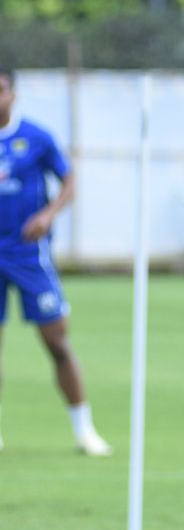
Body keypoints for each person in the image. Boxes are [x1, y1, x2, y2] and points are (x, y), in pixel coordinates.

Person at [0, 67, 112, 456]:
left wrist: (48, 214)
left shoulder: (36, 137)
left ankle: (84, 430)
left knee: (56, 341)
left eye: (0, 90)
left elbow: (69, 180)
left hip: (28, 255)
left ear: (13, 94)